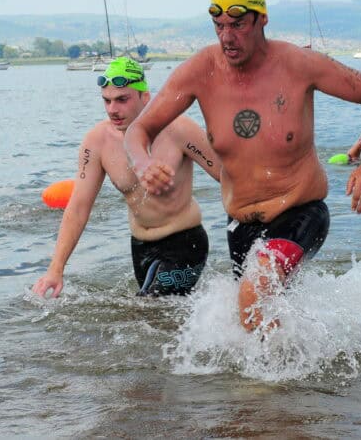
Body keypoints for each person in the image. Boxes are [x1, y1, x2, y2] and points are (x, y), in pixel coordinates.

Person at [124, 0, 361, 332]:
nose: (227, 37)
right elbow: (138, 130)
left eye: (238, 25)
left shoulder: (298, 64)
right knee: (254, 325)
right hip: (240, 227)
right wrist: (142, 163)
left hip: (300, 213)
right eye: (219, 26)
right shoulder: (200, 71)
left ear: (261, 18)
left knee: (255, 292)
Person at [32, 56, 221, 299]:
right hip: (140, 248)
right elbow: (78, 207)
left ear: (145, 97)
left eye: (122, 99)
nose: (113, 109)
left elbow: (227, 176)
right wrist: (55, 270)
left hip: (185, 243)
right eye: (107, 100)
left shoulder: (179, 129)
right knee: (155, 313)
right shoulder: (97, 141)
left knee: (149, 307)